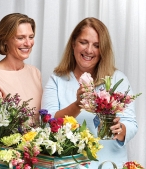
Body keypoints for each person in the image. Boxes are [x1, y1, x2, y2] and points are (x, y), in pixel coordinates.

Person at [42, 17, 138, 168]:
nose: (89, 50)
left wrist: (120, 129)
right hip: (69, 165)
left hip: (109, 163)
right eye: (83, 42)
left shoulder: (117, 79)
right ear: (73, 43)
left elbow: (131, 124)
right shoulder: (57, 79)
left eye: (96, 45)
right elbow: (48, 123)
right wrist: (77, 105)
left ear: (103, 50)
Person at [0, 13, 42, 124]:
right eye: (20, 38)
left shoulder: (35, 72)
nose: (28, 43)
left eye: (31, 37)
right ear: (4, 40)